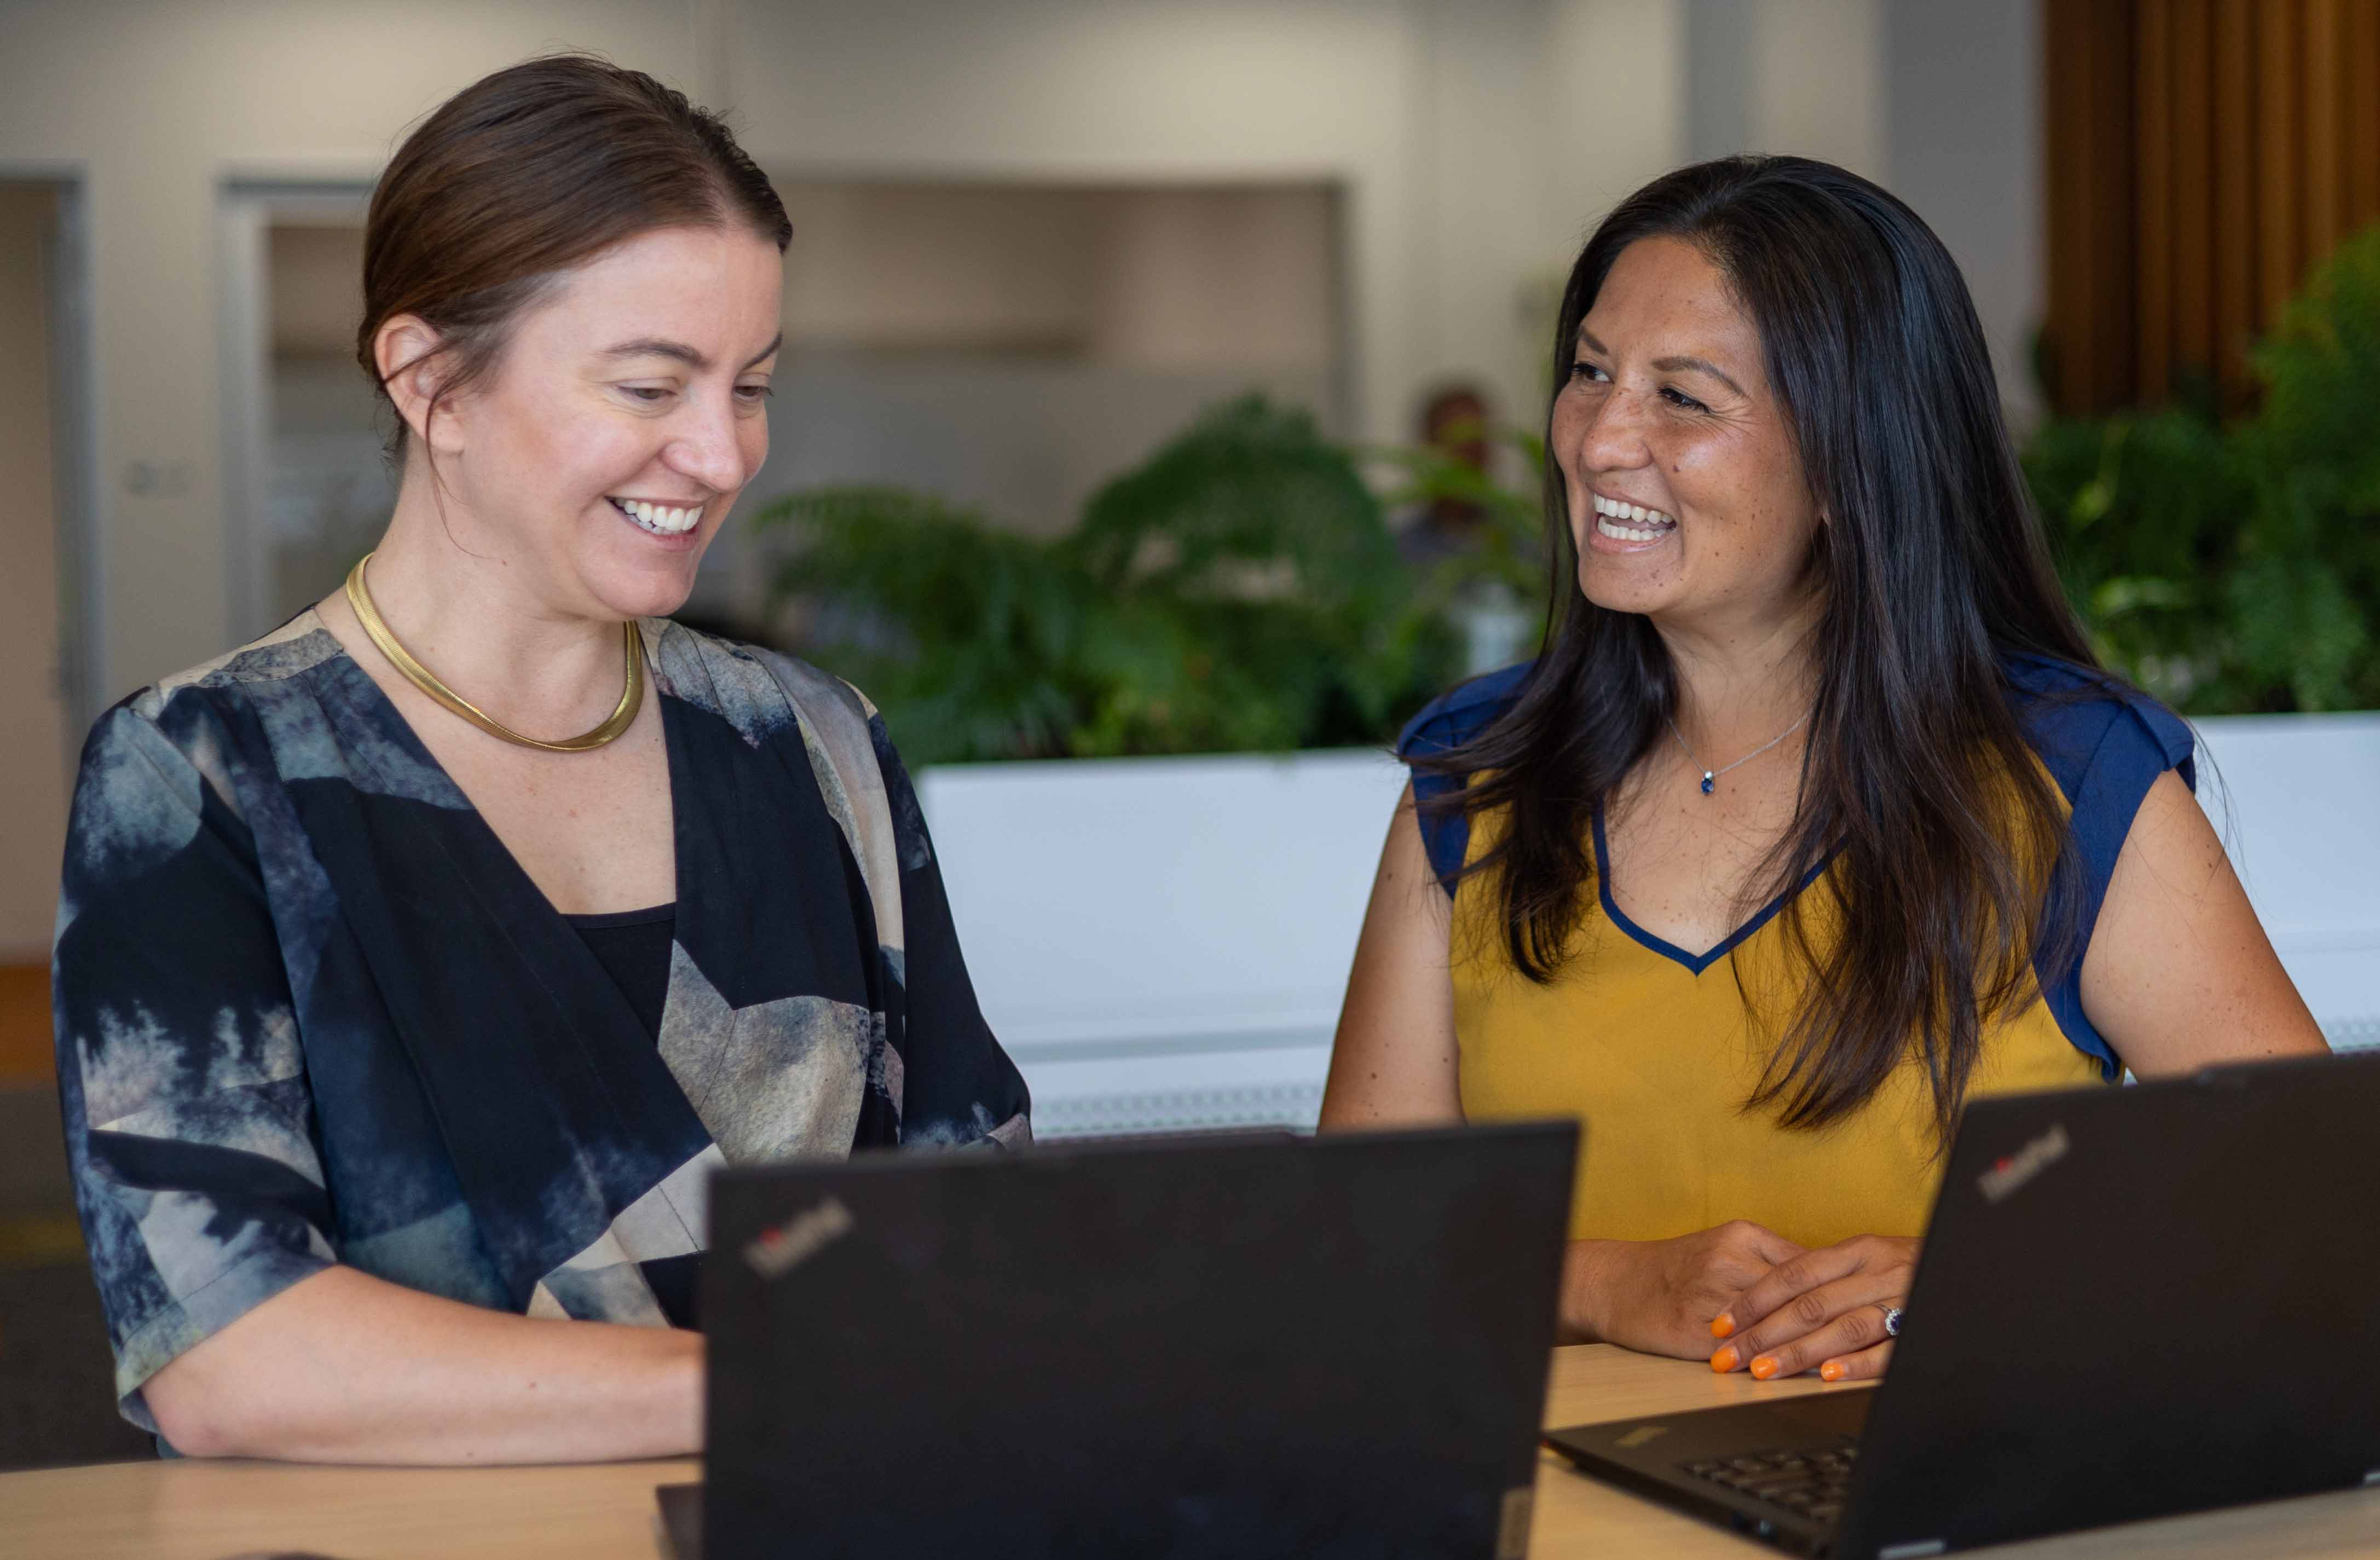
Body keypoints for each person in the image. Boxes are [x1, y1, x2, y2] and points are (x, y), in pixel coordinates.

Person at [51, 56, 1028, 1465]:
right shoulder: (202, 775)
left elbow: (974, 1208)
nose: (719, 452)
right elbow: (228, 1352)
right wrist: (781, 1386)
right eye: (651, 384)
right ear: (430, 378)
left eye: (749, 386)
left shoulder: (811, 745)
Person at [1321, 156, 2327, 1388]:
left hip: (1955, 1507)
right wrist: (1608, 1283)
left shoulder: (2067, 779)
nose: (1597, 439)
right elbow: (1357, 1241)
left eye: (1682, 398)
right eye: (1589, 372)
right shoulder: (1473, 782)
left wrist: (1980, 1274)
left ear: (1855, 465)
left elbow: (2308, 1207)